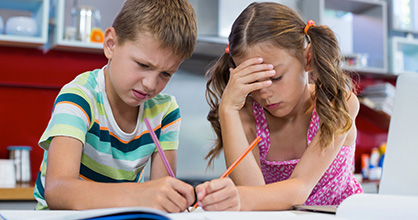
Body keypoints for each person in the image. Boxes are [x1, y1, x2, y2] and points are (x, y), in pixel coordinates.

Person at [33, 0, 199, 212]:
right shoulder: (79, 97)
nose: (150, 84)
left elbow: (162, 202)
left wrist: (173, 199)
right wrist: (141, 194)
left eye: (165, 74)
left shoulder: (165, 112)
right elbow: (58, 191)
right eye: (143, 65)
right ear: (111, 44)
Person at [198, 2, 363, 211]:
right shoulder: (246, 115)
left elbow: (300, 188)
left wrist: (238, 197)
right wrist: (228, 109)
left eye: (275, 77)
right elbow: (254, 198)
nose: (264, 93)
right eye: (253, 82)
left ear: (308, 59)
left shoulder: (337, 103)